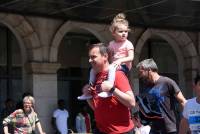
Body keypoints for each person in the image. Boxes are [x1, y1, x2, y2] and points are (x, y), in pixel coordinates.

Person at [78, 13, 134, 100]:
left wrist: (120, 61)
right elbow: (108, 56)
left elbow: (131, 57)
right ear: (113, 33)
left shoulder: (128, 43)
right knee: (93, 70)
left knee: (111, 68)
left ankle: (108, 88)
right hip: (113, 65)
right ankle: (90, 88)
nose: (124, 34)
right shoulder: (111, 44)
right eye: (121, 31)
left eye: (126, 31)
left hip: (123, 66)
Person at [82, 43, 136, 133]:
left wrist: (112, 89)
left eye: (93, 57)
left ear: (105, 56)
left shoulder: (117, 75)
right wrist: (88, 96)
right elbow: (97, 108)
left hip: (121, 132)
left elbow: (131, 102)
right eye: (89, 57)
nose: (90, 60)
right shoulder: (95, 77)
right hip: (101, 130)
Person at [136, 58, 186, 134]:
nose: (140, 76)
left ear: (149, 70)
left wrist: (187, 122)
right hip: (154, 129)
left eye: (141, 72)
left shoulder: (167, 82)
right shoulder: (147, 87)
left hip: (170, 129)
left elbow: (183, 101)